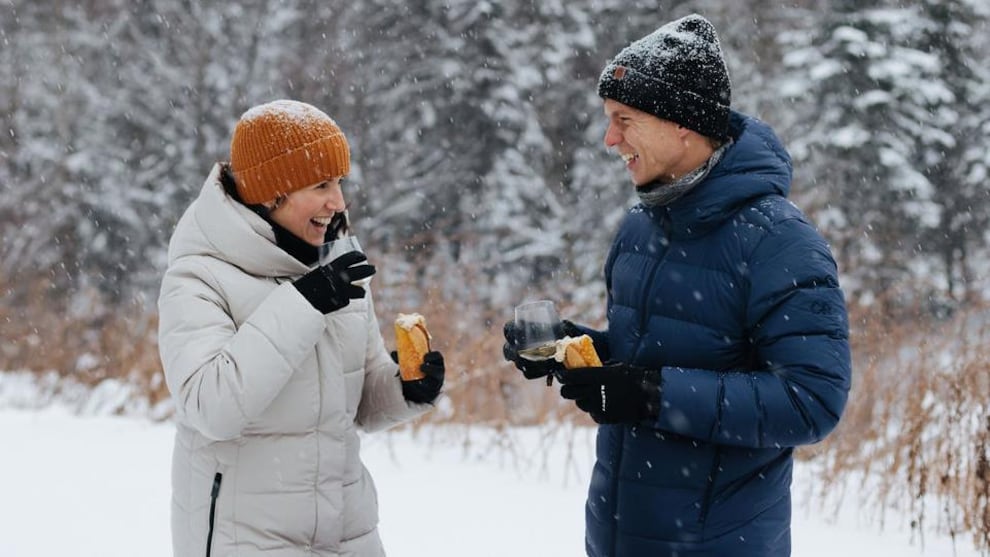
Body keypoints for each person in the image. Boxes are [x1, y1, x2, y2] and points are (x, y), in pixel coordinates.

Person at [503, 14, 851, 557]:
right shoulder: (641, 228)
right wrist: (578, 351)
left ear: (681, 123)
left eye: (624, 119)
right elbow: (659, 350)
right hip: (620, 536)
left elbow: (811, 401)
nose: (609, 138)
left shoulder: (779, 241)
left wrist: (651, 394)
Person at [158, 99, 445, 557]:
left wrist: (408, 388)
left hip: (348, 535)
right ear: (273, 191)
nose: (338, 201)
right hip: (248, 539)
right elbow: (210, 407)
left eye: (340, 183)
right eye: (321, 184)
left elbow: (360, 401)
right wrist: (303, 302)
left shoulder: (337, 267)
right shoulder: (200, 277)